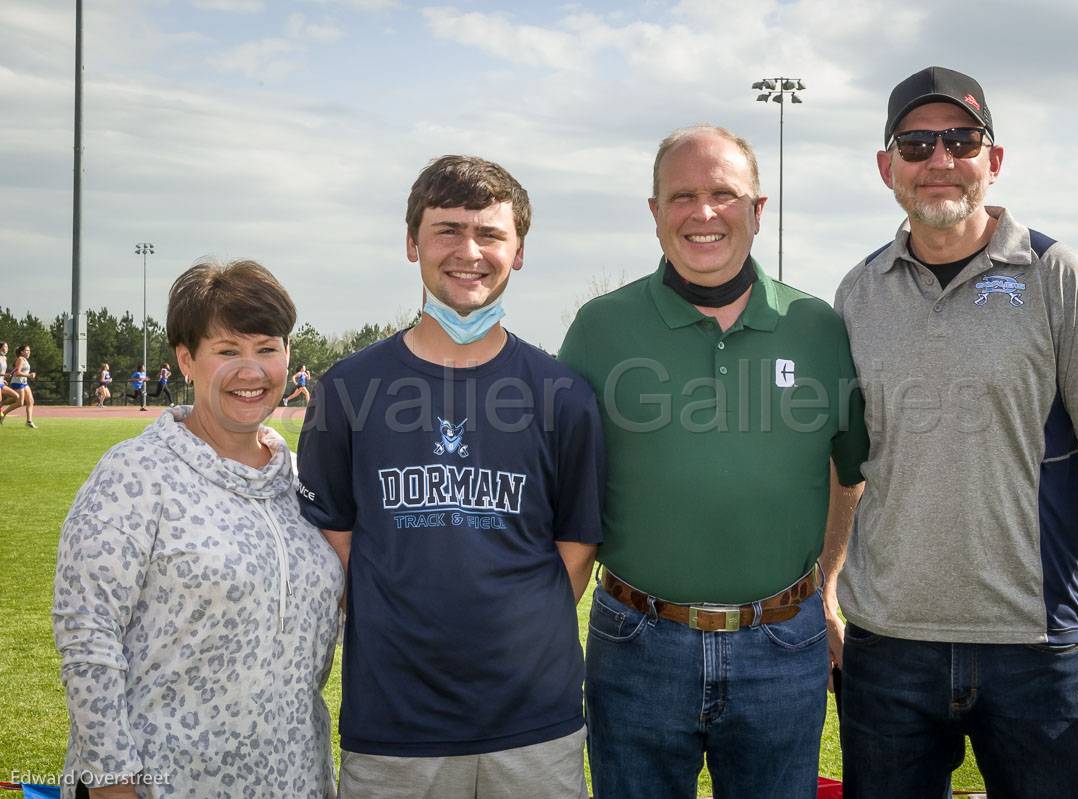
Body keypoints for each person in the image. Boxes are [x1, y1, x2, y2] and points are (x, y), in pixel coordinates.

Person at [828, 66, 1078, 798]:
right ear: (887, 167)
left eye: (961, 139)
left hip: (1034, 643)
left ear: (995, 159)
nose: (940, 159)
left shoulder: (1058, 275)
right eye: (917, 144)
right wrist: (826, 589)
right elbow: (849, 463)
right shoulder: (857, 292)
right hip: (888, 646)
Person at [558, 125, 868, 799]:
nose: (703, 213)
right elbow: (559, 491)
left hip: (783, 644)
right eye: (683, 195)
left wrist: (829, 585)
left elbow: (851, 471)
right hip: (635, 639)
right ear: (654, 212)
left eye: (724, 194)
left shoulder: (818, 328)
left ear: (758, 210)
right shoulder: (599, 329)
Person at [297, 155, 605, 799]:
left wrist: (509, 637)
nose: (469, 251)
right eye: (447, 230)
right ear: (412, 243)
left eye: (490, 234)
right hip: (394, 721)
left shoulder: (562, 394)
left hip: (533, 721)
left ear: (518, 252)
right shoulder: (348, 389)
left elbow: (576, 549)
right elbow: (336, 547)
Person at [52, 259, 343, 798]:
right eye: (227, 351)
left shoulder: (303, 480)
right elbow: (87, 632)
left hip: (292, 776)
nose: (251, 371)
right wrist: (113, 780)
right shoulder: (136, 474)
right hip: (166, 779)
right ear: (187, 360)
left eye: (267, 347)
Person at [1, 343, 37, 428]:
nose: (29, 352)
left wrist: (30, 375)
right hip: (17, 382)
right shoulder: (20, 359)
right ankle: (2, 414)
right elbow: (17, 373)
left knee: (30, 401)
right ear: (22, 352)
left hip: (24, 383)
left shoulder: (25, 359)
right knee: (20, 403)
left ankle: (29, 421)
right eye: (27, 350)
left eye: (29, 350)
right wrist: (29, 375)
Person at [0, 342, 22, 418]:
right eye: (5, 346)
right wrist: (5, 375)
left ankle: (1, 410)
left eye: (7, 347)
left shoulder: (5, 358)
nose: (7, 348)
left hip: (1, 383)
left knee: (16, 396)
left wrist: (3, 379)